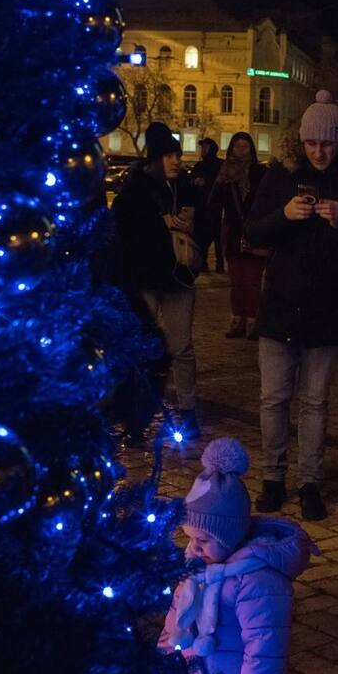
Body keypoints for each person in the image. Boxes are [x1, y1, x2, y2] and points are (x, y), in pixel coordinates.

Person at [244, 90, 338, 521]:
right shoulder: (279, 177)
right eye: (311, 143)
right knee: (273, 399)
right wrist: (284, 215)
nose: (319, 152)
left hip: (326, 307)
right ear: (299, 142)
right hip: (280, 303)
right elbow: (254, 232)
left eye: (327, 143)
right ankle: (272, 478)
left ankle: (309, 482)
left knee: (315, 402)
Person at [158, 438, 315, 674]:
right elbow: (176, 617)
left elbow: (264, 653)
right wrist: (161, 664)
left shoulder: (258, 582)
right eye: (190, 537)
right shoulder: (197, 568)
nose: (195, 547)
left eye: (204, 539)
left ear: (229, 537)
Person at [111, 122, 201, 439]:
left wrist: (190, 228)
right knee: (142, 348)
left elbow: (205, 227)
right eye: (168, 155)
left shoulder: (186, 187)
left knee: (181, 347)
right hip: (145, 279)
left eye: (177, 154)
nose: (176, 160)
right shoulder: (134, 192)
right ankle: (136, 415)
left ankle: (189, 410)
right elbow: (122, 235)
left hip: (179, 279)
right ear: (153, 158)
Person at [209, 133, 268, 340]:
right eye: (237, 147)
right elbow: (213, 201)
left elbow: (267, 201)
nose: (241, 151)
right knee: (237, 281)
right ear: (231, 149)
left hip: (255, 232)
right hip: (234, 233)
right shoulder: (226, 173)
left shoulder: (260, 172)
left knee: (252, 280)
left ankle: (253, 320)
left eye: (245, 147)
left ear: (251, 149)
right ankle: (237, 319)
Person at [190, 137, 225, 273]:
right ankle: (204, 262)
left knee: (217, 237)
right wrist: (194, 182)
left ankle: (219, 262)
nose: (202, 150)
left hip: (215, 207)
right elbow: (191, 182)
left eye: (205, 147)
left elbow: (222, 184)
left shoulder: (220, 165)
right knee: (203, 237)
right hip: (202, 207)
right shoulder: (199, 166)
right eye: (202, 147)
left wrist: (206, 183)